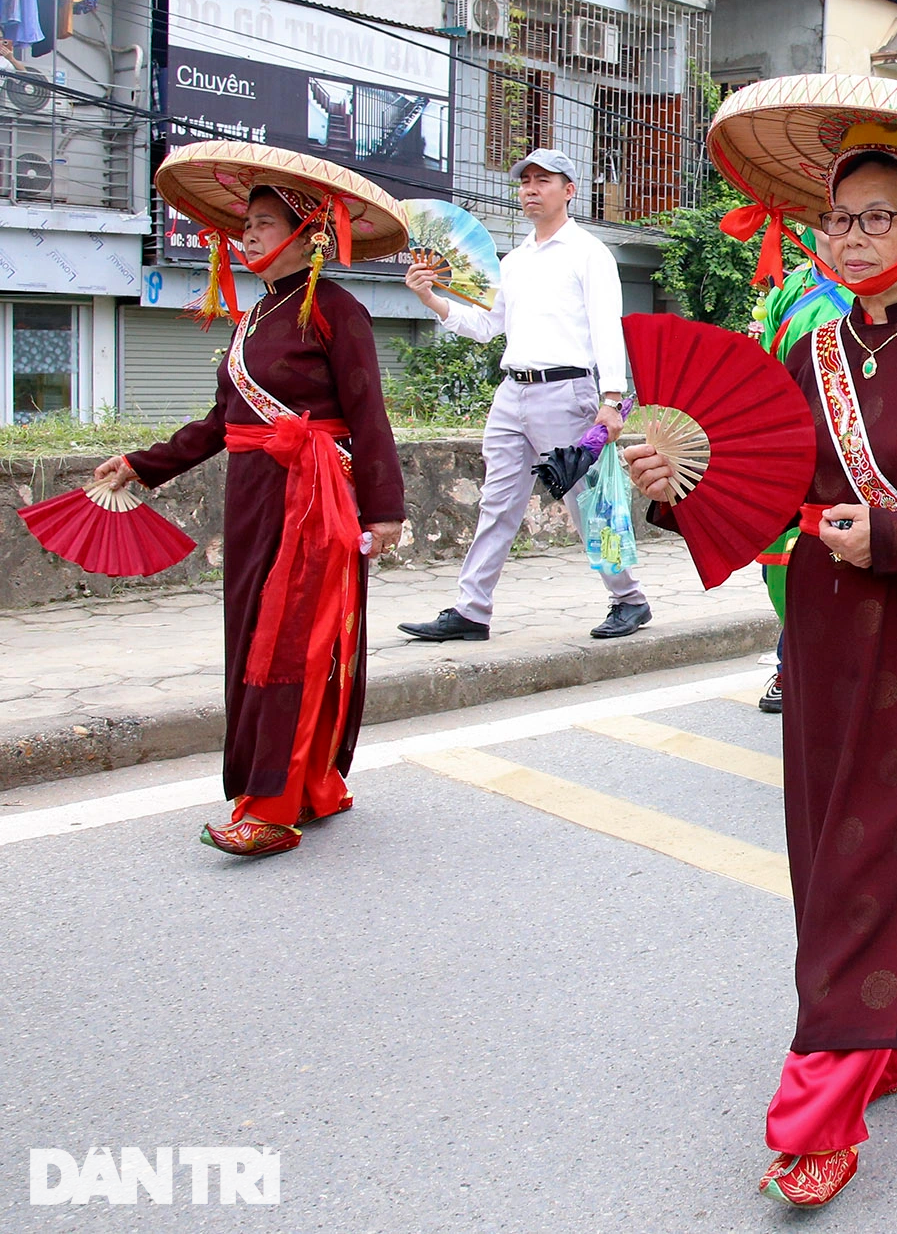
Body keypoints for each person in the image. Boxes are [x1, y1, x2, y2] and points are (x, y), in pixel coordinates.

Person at [638, 83, 897, 1207]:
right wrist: (671, 485)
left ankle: (818, 1108)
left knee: (883, 849)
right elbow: (748, 489)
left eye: (876, 218)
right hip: (820, 634)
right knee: (833, 846)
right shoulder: (804, 349)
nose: (849, 237)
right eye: (837, 218)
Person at [99, 159, 406, 857]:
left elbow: (369, 413)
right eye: (244, 224)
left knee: (290, 642)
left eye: (263, 223)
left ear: (306, 232)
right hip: (252, 499)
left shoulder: (336, 309)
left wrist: (383, 509)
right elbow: (220, 421)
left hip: (313, 502)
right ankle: (311, 783)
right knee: (254, 640)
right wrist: (142, 465)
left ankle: (271, 806)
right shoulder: (255, 316)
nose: (246, 235)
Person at [400, 148, 647, 644]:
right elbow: (489, 325)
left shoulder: (589, 253)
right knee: (497, 502)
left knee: (587, 501)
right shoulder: (514, 261)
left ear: (569, 191)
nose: (531, 189)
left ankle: (629, 599)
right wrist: (431, 299)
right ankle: (472, 610)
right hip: (513, 391)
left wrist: (612, 398)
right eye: (525, 181)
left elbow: (607, 327)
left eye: (543, 181)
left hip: (569, 390)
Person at [749, 245, 854, 714]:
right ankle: (792, 659)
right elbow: (767, 370)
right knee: (786, 564)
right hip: (794, 447)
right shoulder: (789, 289)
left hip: (857, 451)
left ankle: (834, 664)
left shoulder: (881, 287)